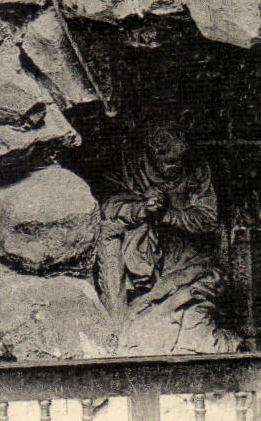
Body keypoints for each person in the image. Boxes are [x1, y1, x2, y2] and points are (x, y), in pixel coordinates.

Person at [100, 128, 241, 355]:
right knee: (142, 331)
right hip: (141, 270)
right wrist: (141, 209)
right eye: (168, 161)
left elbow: (208, 218)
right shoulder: (129, 170)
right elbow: (108, 207)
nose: (175, 167)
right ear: (151, 155)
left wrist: (168, 214)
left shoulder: (195, 172)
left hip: (187, 262)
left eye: (179, 161)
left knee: (192, 321)